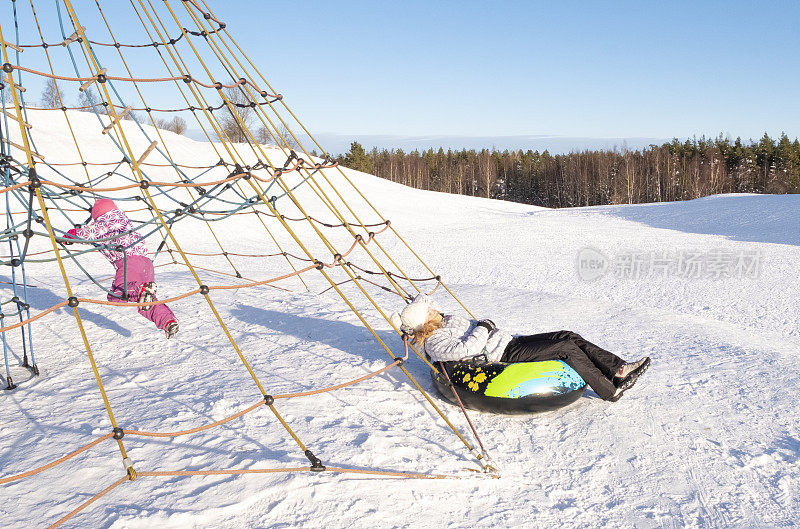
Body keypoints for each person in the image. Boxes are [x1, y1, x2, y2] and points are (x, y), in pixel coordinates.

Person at [390, 294, 649, 402]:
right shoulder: (435, 342)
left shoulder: (444, 322)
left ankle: (618, 368)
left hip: (510, 340)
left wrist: (475, 325)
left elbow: (458, 323)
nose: (435, 307)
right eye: (429, 309)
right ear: (425, 320)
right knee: (566, 348)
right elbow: (466, 347)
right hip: (502, 355)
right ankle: (610, 390)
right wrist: (483, 327)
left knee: (567, 334)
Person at [62, 199, 179, 338]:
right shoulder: (123, 221)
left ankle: (139, 289)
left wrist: (70, 235)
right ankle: (168, 321)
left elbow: (90, 233)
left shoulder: (105, 223)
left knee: (116, 296)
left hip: (128, 262)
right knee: (146, 301)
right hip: (146, 264)